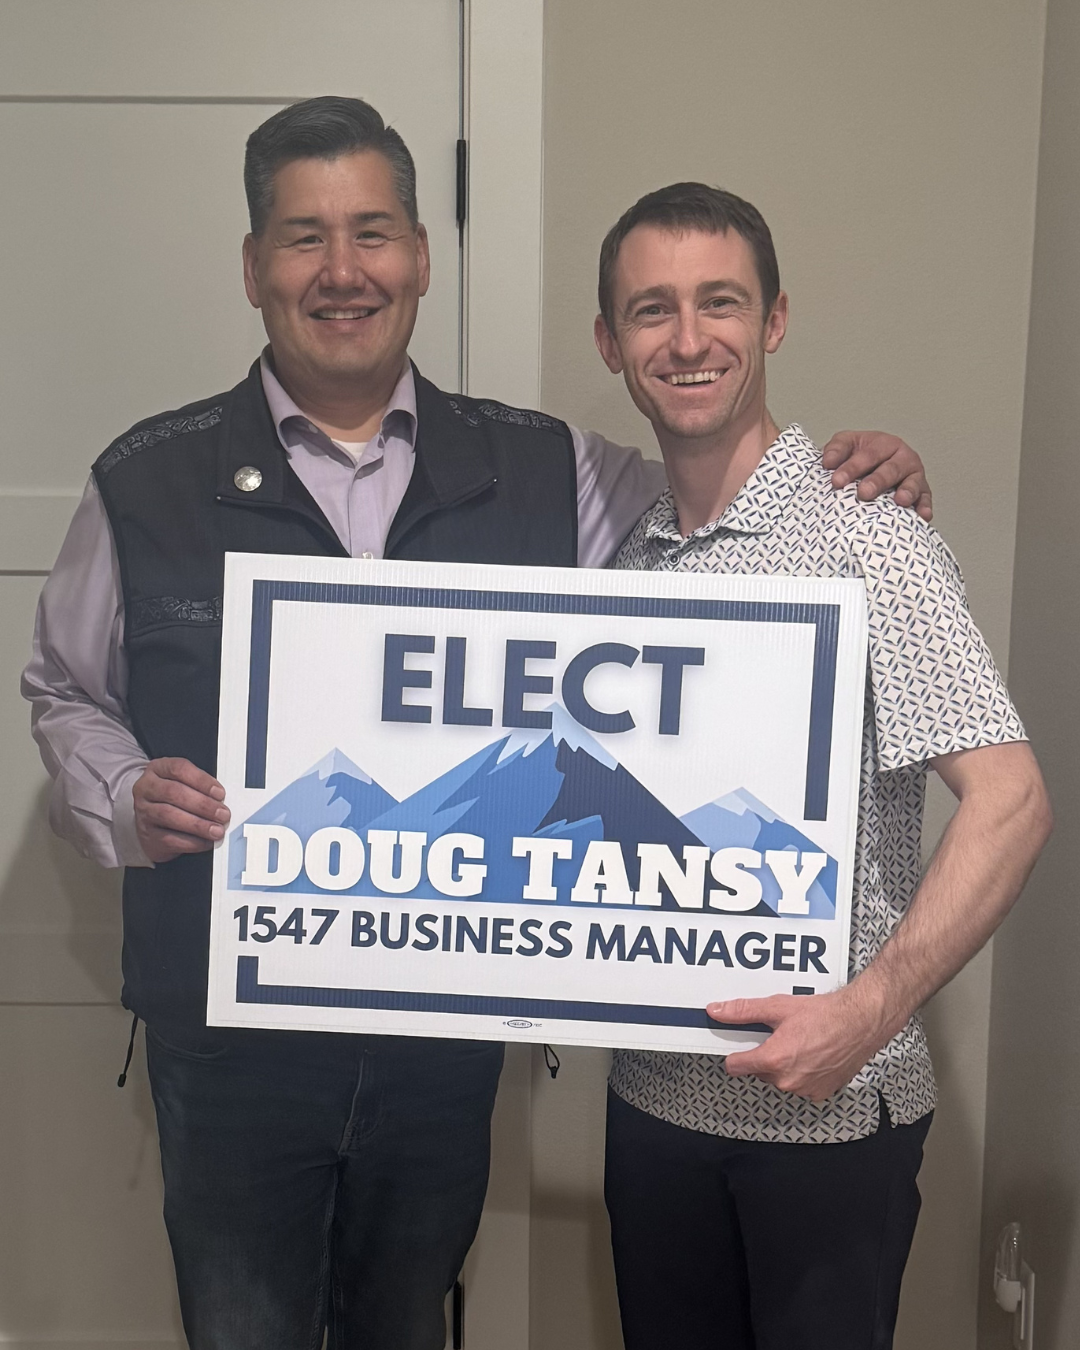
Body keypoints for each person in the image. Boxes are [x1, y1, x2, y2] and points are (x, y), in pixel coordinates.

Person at [22, 99, 931, 1350]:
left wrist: (849, 471)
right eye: (303, 238)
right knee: (241, 1330)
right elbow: (66, 691)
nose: (343, 271)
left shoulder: (549, 469)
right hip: (229, 1048)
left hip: (438, 1060)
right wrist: (120, 794)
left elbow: (713, 482)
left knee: (407, 1323)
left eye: (374, 232)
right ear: (252, 268)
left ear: (420, 258)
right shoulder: (145, 477)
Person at [593, 180, 1053, 1350]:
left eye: (721, 303)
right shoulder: (628, 564)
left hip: (831, 1117)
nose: (688, 339)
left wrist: (870, 1008)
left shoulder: (869, 538)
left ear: (776, 320)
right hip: (652, 1109)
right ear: (610, 343)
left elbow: (1012, 802)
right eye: (652, 310)